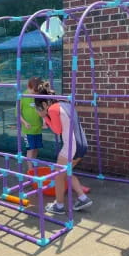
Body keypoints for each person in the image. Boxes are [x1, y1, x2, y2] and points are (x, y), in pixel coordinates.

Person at [34, 81, 93, 214]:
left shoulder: (52, 109)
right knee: (66, 172)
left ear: (44, 104)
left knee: (58, 175)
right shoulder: (66, 104)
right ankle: (83, 198)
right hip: (82, 144)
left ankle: (59, 206)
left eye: (38, 108)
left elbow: (57, 130)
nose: (39, 111)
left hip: (71, 146)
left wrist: (45, 118)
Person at [20, 77, 44, 170]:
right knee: (30, 149)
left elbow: (42, 110)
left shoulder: (38, 96)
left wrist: (45, 121)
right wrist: (24, 122)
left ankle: (33, 165)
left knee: (36, 148)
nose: (35, 94)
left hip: (38, 128)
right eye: (34, 91)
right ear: (28, 87)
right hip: (28, 129)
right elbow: (17, 113)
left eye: (37, 92)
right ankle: (30, 169)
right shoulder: (22, 96)